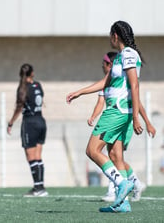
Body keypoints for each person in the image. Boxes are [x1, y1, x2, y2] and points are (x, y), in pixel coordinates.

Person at [66, 21, 155, 213]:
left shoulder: (130, 54)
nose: (109, 38)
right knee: (115, 155)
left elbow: (135, 85)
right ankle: (123, 204)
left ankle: (122, 183)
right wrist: (80, 92)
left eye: (110, 35)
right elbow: (105, 82)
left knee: (92, 150)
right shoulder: (121, 57)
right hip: (120, 113)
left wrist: (138, 119)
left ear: (116, 35)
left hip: (117, 112)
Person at [89, 52, 155, 202]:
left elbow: (138, 102)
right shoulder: (108, 82)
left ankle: (116, 189)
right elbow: (100, 103)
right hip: (113, 119)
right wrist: (93, 116)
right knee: (114, 156)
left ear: (111, 65)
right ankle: (133, 186)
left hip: (123, 120)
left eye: (104, 64)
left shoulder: (123, 80)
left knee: (114, 156)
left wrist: (146, 122)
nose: (103, 67)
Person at [7, 63, 48, 197]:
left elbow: (19, 108)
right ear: (33, 73)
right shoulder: (38, 85)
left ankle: (38, 188)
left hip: (30, 123)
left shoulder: (23, 88)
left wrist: (11, 122)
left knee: (31, 157)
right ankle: (41, 187)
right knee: (38, 157)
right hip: (41, 121)